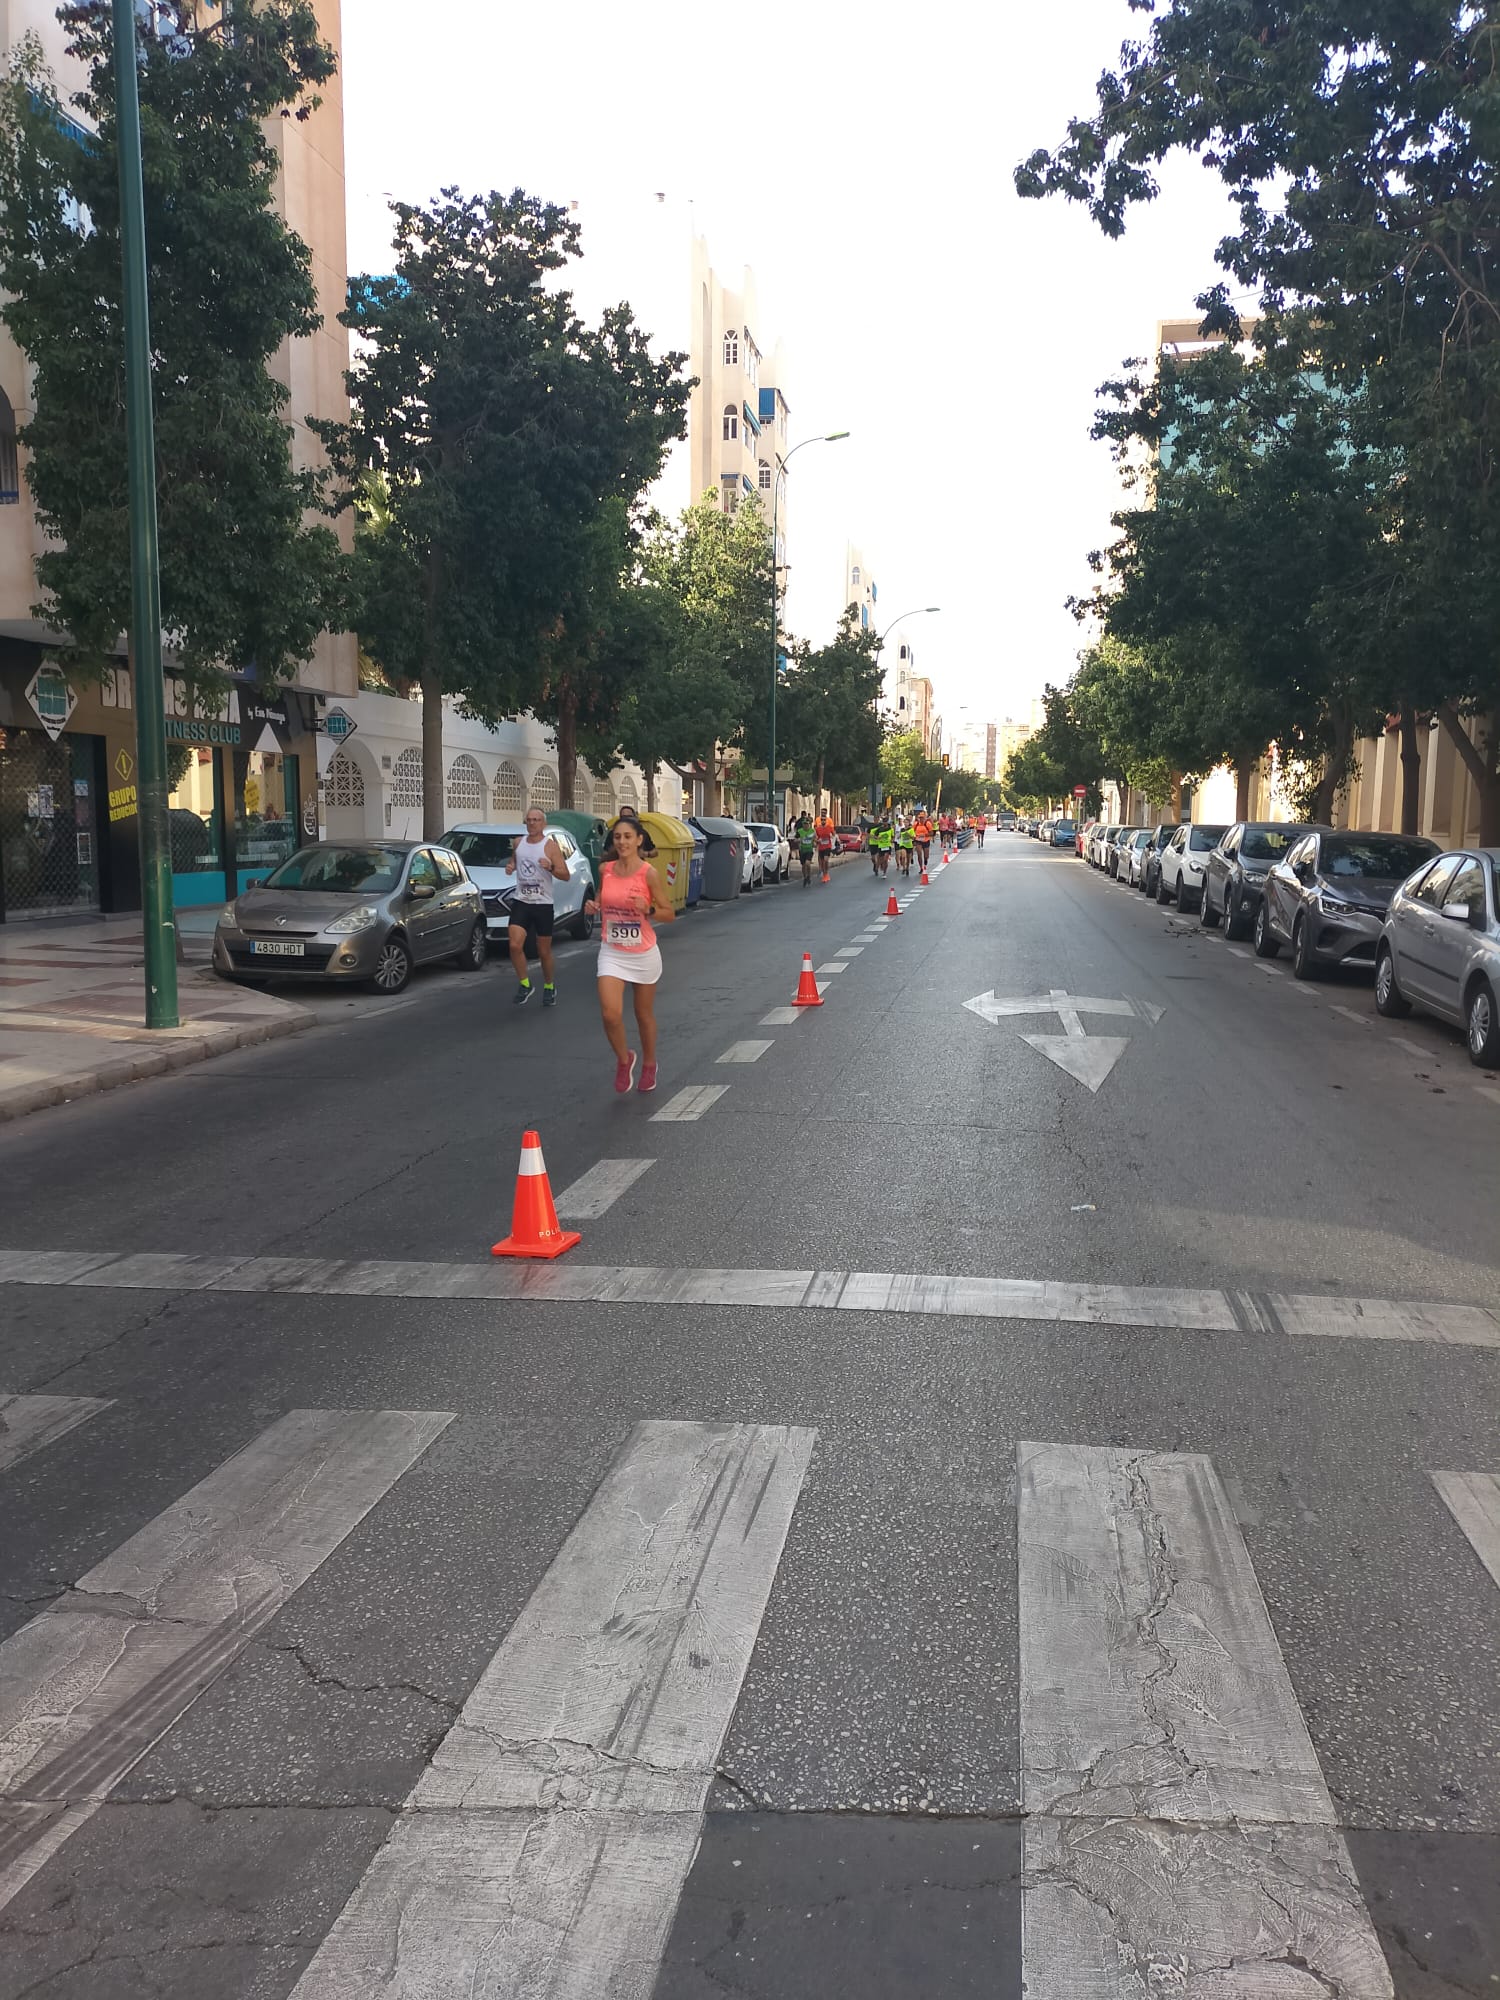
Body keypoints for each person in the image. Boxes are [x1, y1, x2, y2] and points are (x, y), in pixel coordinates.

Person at [584, 815, 674, 1092]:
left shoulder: (648, 873)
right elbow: (602, 897)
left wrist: (646, 909)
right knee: (610, 1014)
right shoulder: (605, 870)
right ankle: (624, 1060)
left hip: (643, 952)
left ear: (638, 840)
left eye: (627, 837)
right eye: (617, 837)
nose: (621, 841)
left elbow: (668, 913)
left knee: (642, 1014)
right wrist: (594, 906)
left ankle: (649, 1063)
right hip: (612, 950)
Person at [504, 806, 571, 1007]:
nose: (532, 823)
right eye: (529, 820)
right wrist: (511, 867)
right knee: (515, 945)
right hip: (522, 901)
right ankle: (525, 984)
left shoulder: (550, 846)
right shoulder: (518, 842)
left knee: (544, 952)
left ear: (543, 823)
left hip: (542, 904)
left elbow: (565, 875)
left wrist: (550, 867)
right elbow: (515, 861)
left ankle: (549, 986)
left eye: (536, 820)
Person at [795, 812, 817, 887]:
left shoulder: (812, 831)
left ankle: (809, 876)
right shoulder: (800, 831)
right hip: (802, 850)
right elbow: (795, 839)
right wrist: (798, 840)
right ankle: (805, 877)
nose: (806, 825)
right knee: (803, 865)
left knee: (808, 863)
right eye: (804, 824)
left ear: (809, 824)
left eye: (807, 824)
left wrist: (815, 842)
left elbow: (815, 839)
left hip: (809, 850)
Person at [814, 809, 836, 883]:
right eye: (822, 820)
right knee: (822, 861)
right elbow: (815, 837)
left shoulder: (829, 826)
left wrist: (832, 837)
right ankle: (824, 874)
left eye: (824, 820)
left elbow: (833, 834)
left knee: (826, 860)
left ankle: (826, 874)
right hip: (821, 847)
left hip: (827, 846)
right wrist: (817, 841)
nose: (823, 821)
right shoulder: (818, 828)